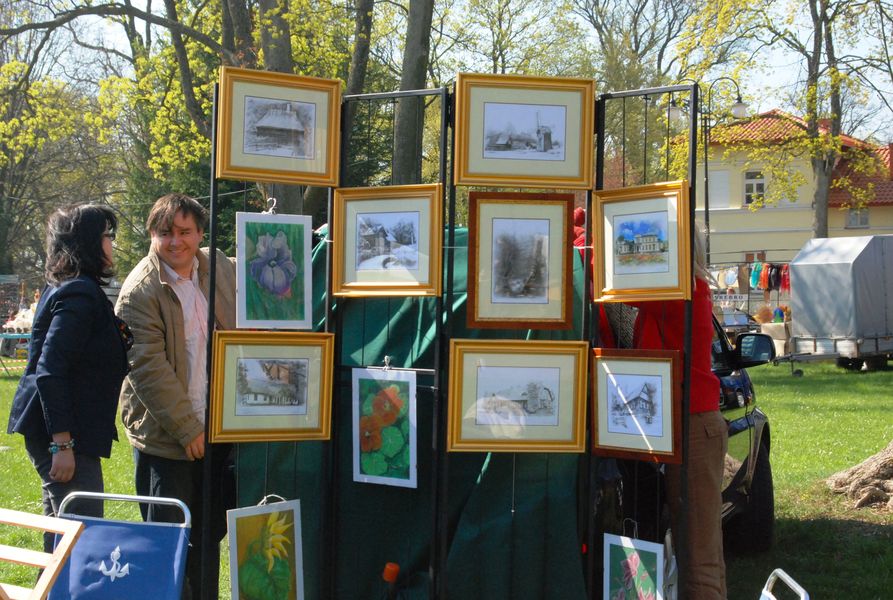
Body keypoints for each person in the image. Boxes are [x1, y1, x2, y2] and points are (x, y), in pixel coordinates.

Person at [116, 193, 236, 600]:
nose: (174, 241)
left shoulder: (218, 266)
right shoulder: (139, 291)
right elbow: (147, 368)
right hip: (167, 440)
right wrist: (188, 429)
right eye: (164, 232)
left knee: (208, 537)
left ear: (200, 233)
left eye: (184, 232)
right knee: (167, 542)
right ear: (152, 234)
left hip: (217, 431)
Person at [7, 204, 131, 551]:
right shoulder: (78, 293)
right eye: (107, 235)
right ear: (89, 242)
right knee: (81, 539)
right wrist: (62, 444)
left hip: (66, 432)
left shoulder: (72, 288)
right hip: (64, 435)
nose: (111, 243)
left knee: (64, 540)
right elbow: (50, 370)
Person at [632, 223, 727, 599]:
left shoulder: (680, 290)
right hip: (687, 423)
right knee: (701, 552)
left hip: (693, 426)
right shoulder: (682, 289)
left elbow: (615, 283)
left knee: (698, 558)